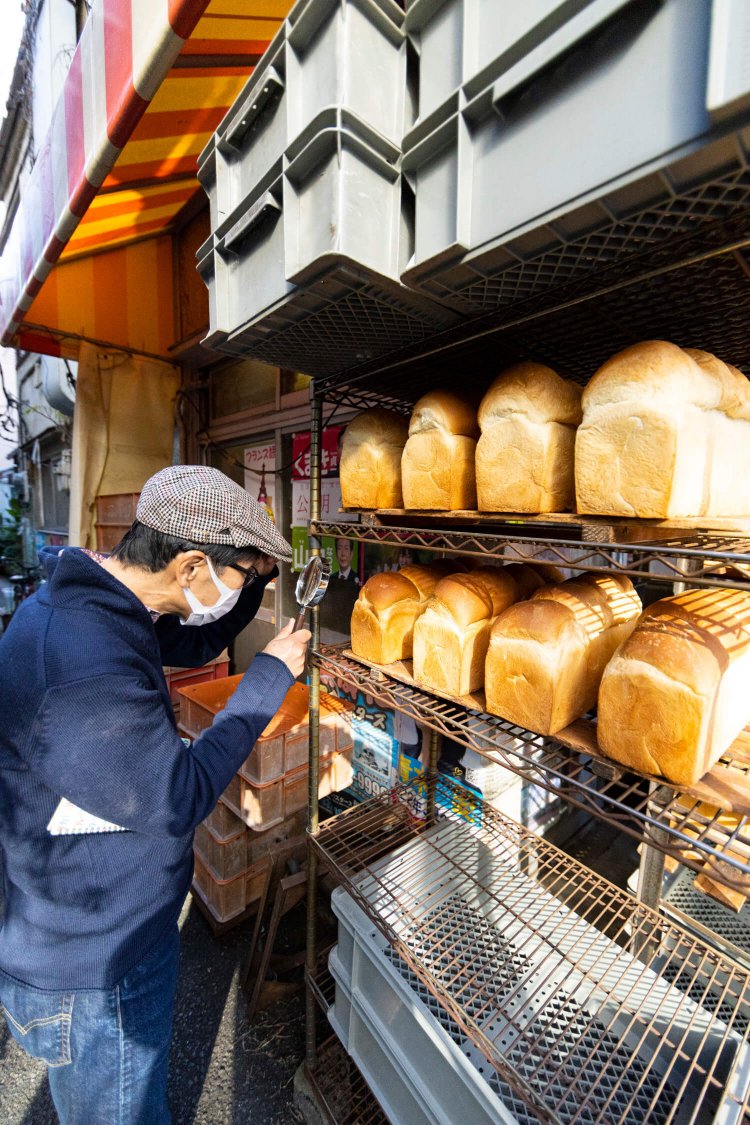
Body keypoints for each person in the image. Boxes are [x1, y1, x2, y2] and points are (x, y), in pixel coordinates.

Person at [0, 465, 310, 1125]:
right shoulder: (83, 662)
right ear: (192, 566)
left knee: (133, 1099)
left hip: (110, 924)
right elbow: (178, 797)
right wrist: (269, 676)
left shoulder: (105, 602)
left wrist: (253, 588)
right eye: (240, 574)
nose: (242, 588)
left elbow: (196, 634)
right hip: (92, 963)